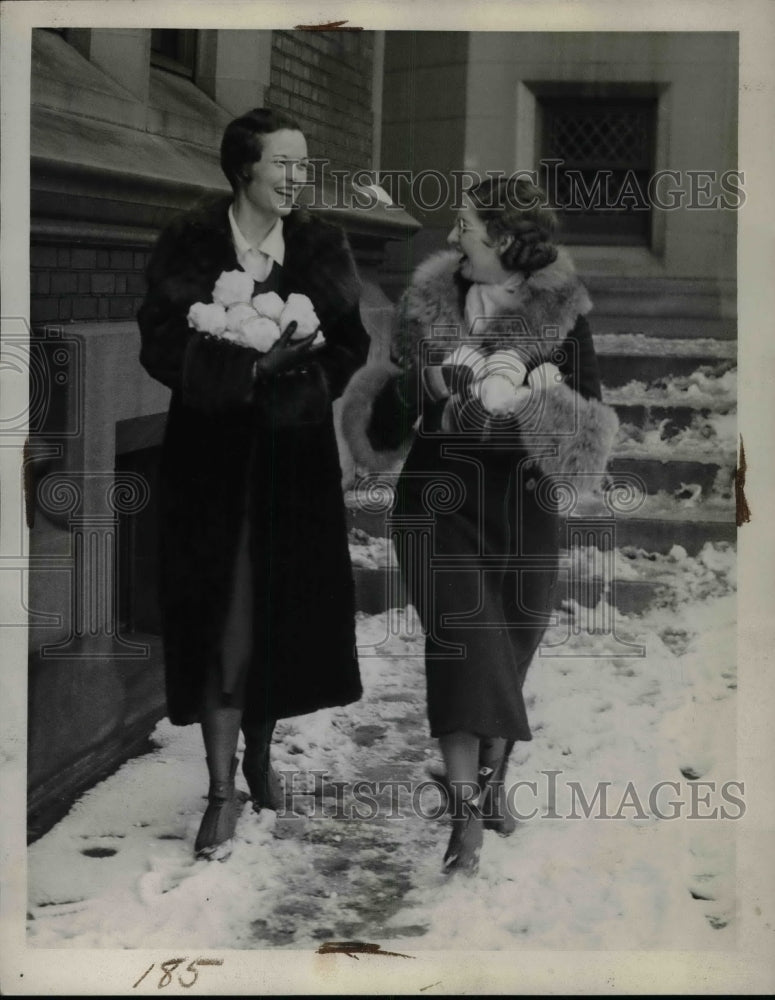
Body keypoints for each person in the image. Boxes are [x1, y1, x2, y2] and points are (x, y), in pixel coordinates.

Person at [341, 176, 619, 875]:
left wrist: (533, 399)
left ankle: (492, 766)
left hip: (523, 501)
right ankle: (464, 814)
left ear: (501, 236)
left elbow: (588, 431)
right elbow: (382, 420)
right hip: (438, 497)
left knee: (512, 641)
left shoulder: (563, 315)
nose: (451, 233)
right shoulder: (424, 307)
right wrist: (419, 387)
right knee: (462, 641)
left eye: (464, 222)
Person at [137, 108, 370, 860]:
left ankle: (259, 756)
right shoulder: (190, 240)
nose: (296, 177)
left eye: (303, 164)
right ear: (244, 168)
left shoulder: (320, 245)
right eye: (282, 163)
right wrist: (240, 371)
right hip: (206, 460)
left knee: (276, 613)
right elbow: (159, 342)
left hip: (290, 463)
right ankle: (217, 788)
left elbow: (350, 344)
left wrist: (294, 378)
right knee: (215, 615)